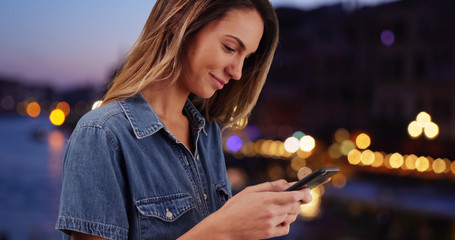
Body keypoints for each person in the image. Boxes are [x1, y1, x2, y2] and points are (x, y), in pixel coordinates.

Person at [56, 0, 313, 239]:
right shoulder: (101, 135)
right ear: (180, 22)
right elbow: (217, 231)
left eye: (246, 59)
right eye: (230, 48)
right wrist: (224, 228)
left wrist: (243, 210)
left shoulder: (208, 132)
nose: (237, 72)